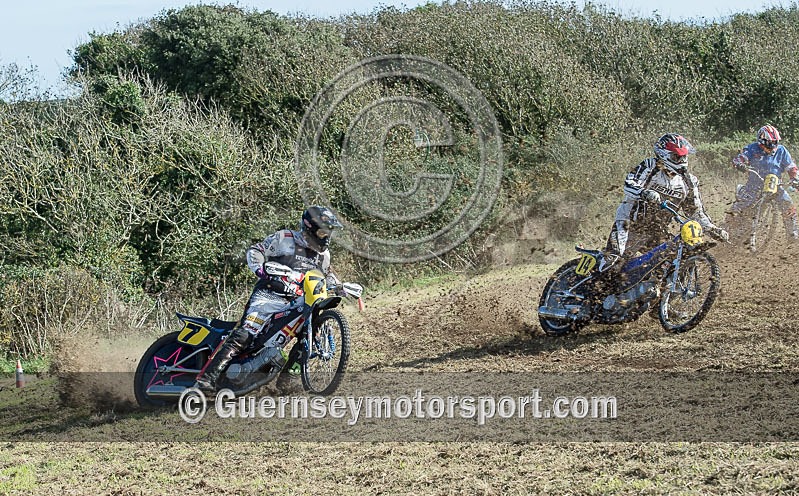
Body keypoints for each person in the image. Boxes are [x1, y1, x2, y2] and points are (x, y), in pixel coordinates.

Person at [195, 205, 343, 392]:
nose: (326, 237)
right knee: (245, 334)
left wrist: (341, 287)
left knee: (309, 333)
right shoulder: (285, 238)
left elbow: (327, 276)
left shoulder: (324, 255)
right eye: (323, 232)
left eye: (328, 233)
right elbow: (255, 251)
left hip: (297, 301)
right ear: (310, 228)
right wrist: (260, 269)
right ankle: (206, 378)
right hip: (268, 296)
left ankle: (287, 382)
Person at [604, 133, 728, 267]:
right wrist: (644, 193)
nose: (681, 161)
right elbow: (629, 183)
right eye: (677, 157)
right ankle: (595, 275)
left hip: (656, 231)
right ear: (663, 155)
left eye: (684, 157)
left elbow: (695, 212)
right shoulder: (650, 166)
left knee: (670, 262)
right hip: (629, 225)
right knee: (613, 263)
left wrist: (712, 229)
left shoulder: (688, 181)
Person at [728, 124, 799, 240]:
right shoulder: (752, 148)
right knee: (740, 206)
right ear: (761, 141)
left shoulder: (781, 151)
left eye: (775, 142)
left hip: (775, 186)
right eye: (770, 143)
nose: (772, 146)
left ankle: (793, 233)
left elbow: (791, 168)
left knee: (787, 203)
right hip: (754, 186)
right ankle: (727, 227)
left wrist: (795, 179)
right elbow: (740, 158)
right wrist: (739, 163)